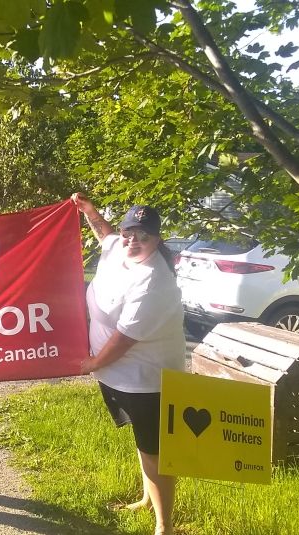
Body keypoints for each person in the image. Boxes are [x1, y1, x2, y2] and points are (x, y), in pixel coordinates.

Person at [71, 193, 185, 535]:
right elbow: (105, 235)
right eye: (129, 233)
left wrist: (92, 363)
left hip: (146, 379)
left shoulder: (154, 281)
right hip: (118, 374)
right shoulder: (120, 248)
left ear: (157, 239)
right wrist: (90, 212)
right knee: (142, 441)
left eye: (143, 236)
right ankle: (147, 500)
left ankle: (164, 525)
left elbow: (124, 338)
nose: (134, 241)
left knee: (155, 451)